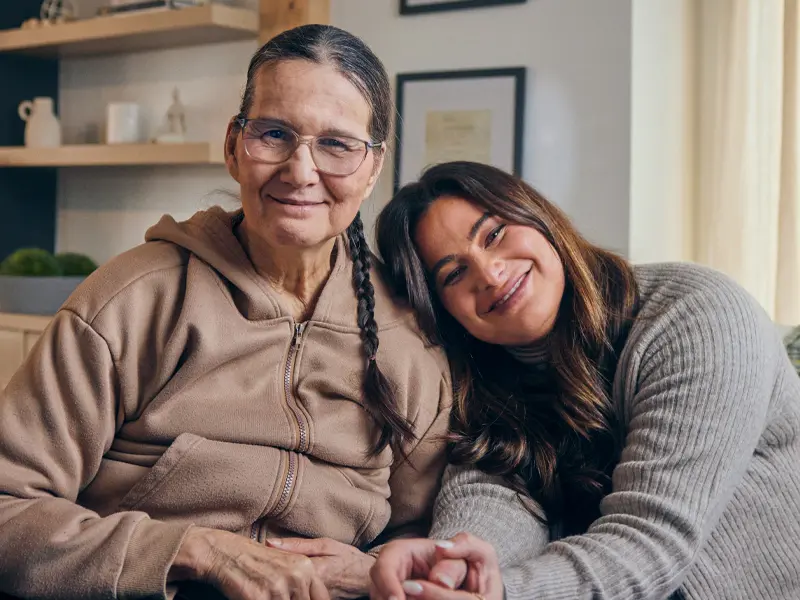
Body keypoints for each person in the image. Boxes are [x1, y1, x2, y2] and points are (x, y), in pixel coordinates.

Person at [0, 25, 453, 600]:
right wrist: (193, 550)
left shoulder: (409, 335)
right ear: (233, 148)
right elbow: (8, 509)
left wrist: (376, 566)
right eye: (273, 133)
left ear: (372, 170)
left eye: (337, 144)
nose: (300, 170)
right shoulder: (134, 299)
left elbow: (422, 529)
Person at [369, 161, 800, 600]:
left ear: (539, 217)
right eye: (454, 274)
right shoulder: (485, 379)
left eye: (494, 234)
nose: (490, 273)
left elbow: (650, 540)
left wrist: (502, 595)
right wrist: (450, 570)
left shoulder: (698, 315)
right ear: (445, 310)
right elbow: (492, 496)